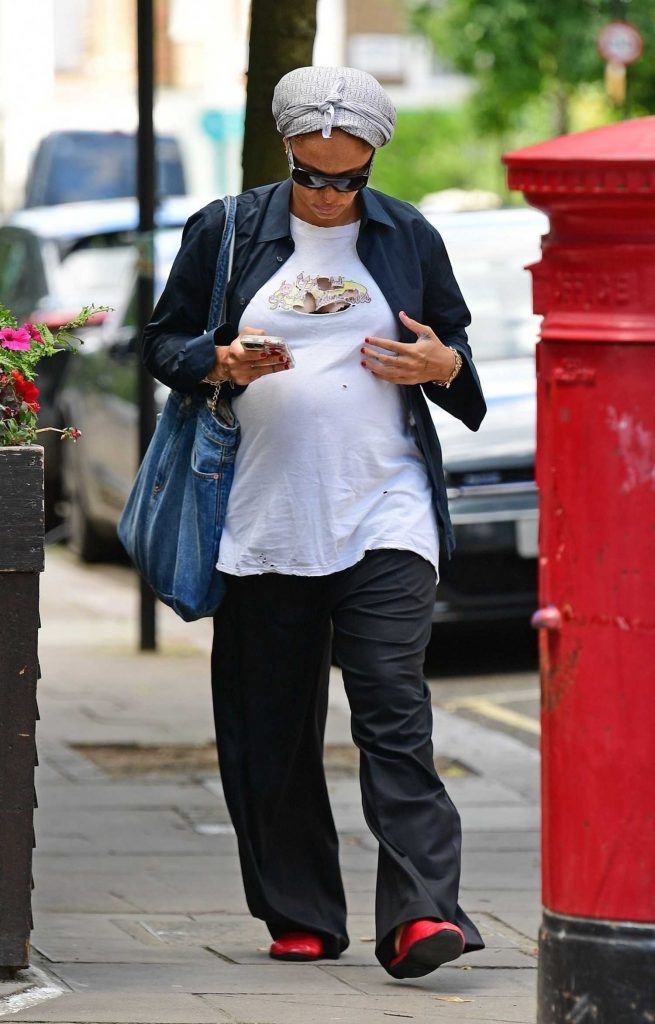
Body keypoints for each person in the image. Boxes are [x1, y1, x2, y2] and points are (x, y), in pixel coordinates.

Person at [143, 65, 486, 979]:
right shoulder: (225, 230)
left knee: (391, 710)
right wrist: (218, 361)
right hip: (259, 512)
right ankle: (300, 909)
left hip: (386, 508)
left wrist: (439, 366)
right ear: (287, 153)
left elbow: (457, 359)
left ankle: (422, 914)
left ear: (374, 162)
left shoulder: (407, 234)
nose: (330, 196)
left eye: (349, 180)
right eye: (312, 176)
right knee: (272, 727)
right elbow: (162, 344)